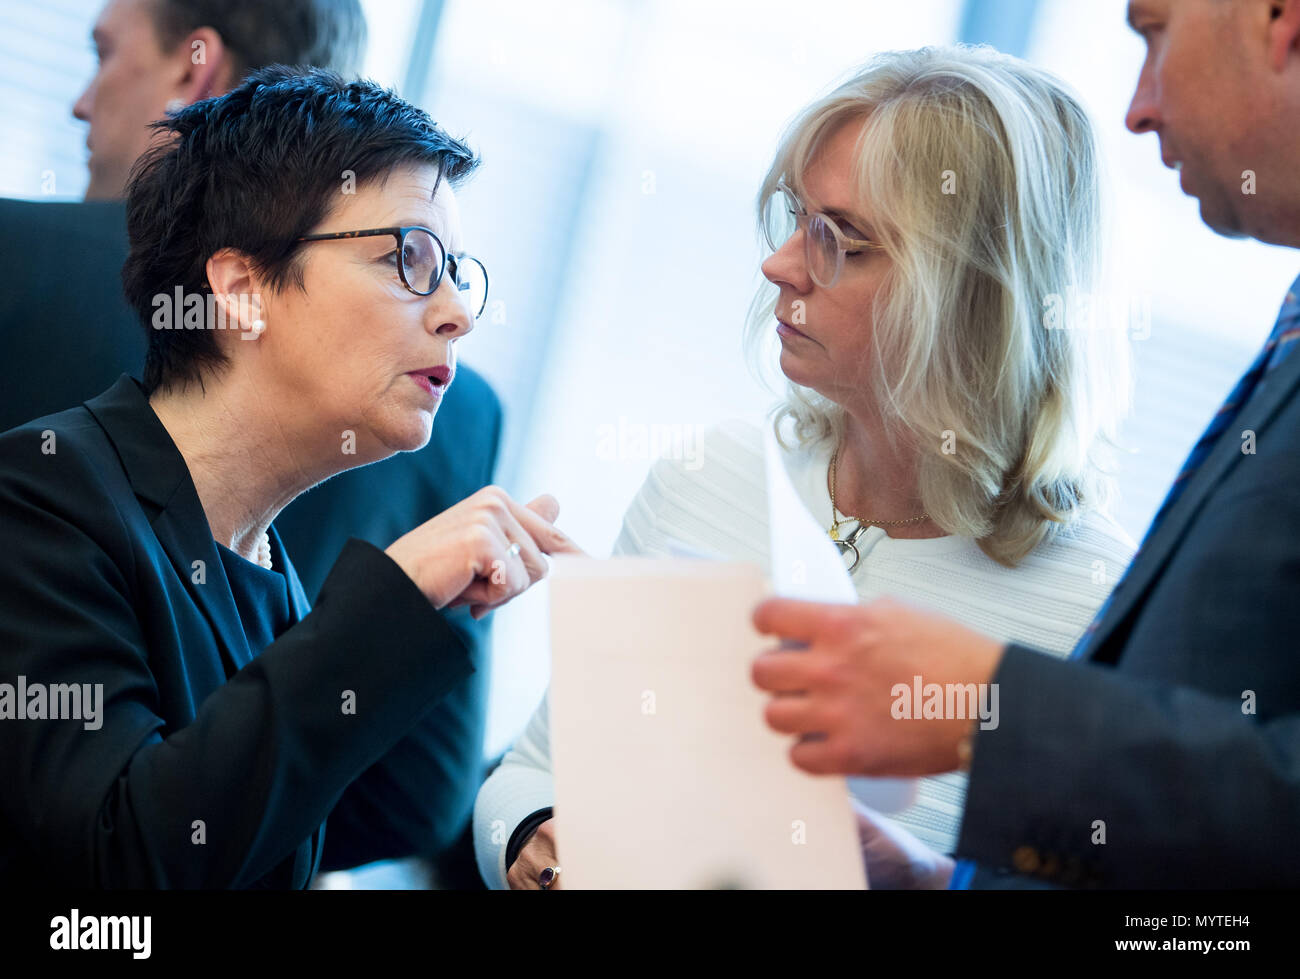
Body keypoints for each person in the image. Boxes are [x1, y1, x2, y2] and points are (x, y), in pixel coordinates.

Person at [472, 45, 1137, 890]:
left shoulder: (1098, 609)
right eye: (794, 218)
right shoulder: (708, 476)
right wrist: (542, 849)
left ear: (976, 296)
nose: (780, 265)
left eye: (842, 242)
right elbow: (527, 779)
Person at [750, 0, 1300, 889]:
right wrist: (940, 885)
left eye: (1155, 33)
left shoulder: (1081, 587)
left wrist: (988, 707)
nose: (1139, 106)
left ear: (1280, 19)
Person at [0, 67, 577, 888]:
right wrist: (390, 598)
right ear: (241, 290)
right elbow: (123, 865)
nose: (459, 310)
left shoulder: (272, 576)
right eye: (410, 258)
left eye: (456, 270)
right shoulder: (40, 499)